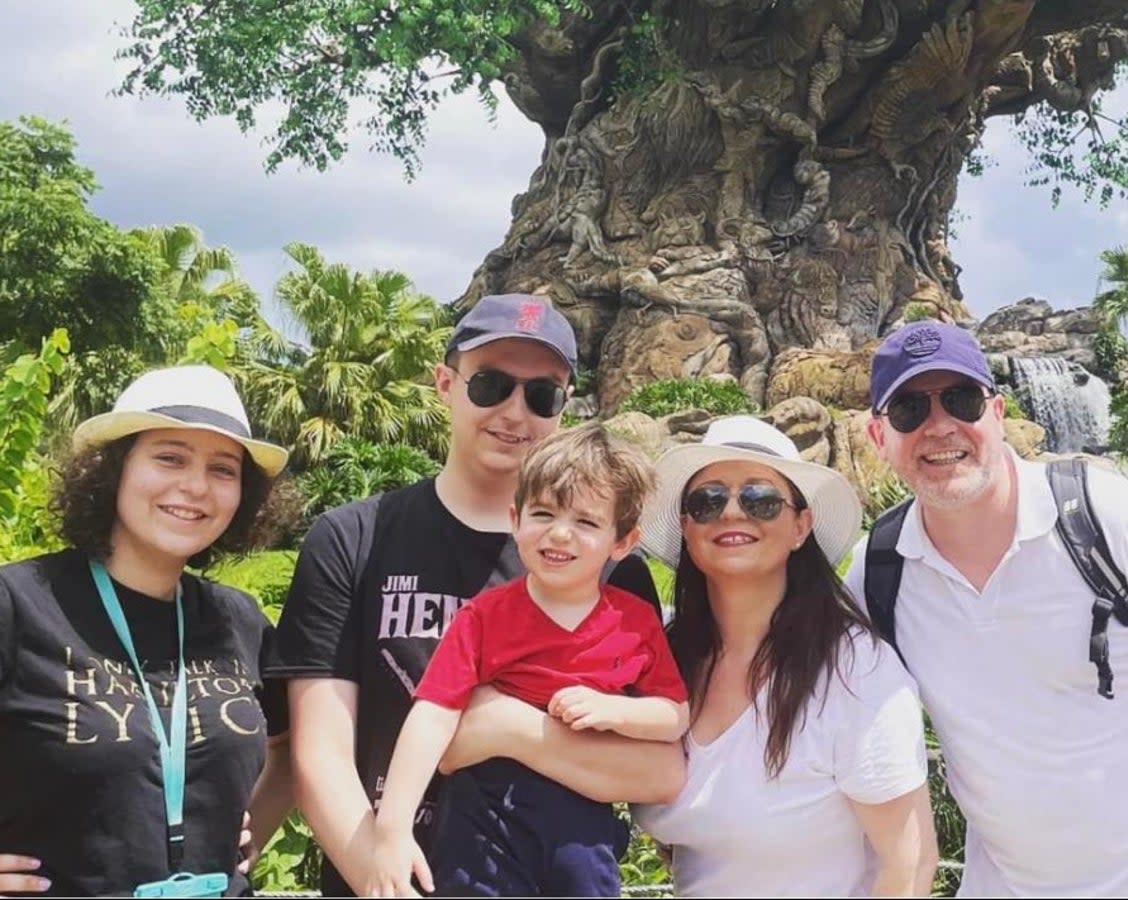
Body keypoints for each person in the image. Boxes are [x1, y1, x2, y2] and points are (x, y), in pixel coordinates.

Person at [268, 293, 684, 896]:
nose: (514, 412)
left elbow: (660, 767)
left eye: (541, 394)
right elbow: (320, 757)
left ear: (563, 407)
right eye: (490, 384)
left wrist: (506, 728)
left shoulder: (612, 575)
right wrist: (383, 881)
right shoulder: (352, 539)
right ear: (445, 383)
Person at [847, 320, 1128, 897]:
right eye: (909, 409)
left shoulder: (1109, 516)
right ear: (877, 435)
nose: (939, 427)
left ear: (998, 411)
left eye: (960, 400)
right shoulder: (879, 568)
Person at [0, 364, 294, 896]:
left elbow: (295, 745)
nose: (196, 486)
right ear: (114, 469)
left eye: (223, 469)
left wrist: (245, 838)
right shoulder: (20, 603)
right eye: (169, 457)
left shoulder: (239, 620)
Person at [366, 425, 689, 897]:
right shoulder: (483, 616)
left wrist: (616, 711)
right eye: (543, 513)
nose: (560, 533)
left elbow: (673, 715)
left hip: (582, 824)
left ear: (622, 542)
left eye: (586, 522)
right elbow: (432, 715)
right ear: (515, 518)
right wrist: (391, 830)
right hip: (481, 823)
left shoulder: (634, 620)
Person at [634, 416, 938, 897]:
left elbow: (909, 865)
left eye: (760, 499)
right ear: (686, 528)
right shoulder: (665, 658)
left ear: (800, 526)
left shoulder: (853, 670)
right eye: (708, 500)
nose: (733, 513)